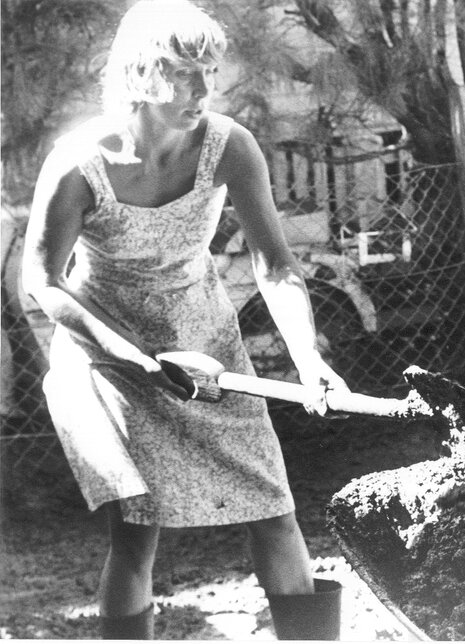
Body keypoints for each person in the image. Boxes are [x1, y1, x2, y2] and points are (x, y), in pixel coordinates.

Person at [22, 0, 342, 638]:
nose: (204, 90)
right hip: (108, 352)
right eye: (185, 73)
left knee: (275, 511)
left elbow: (275, 265)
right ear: (140, 72)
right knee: (139, 530)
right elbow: (44, 282)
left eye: (211, 72)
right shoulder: (80, 163)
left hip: (208, 342)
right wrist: (141, 359)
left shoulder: (228, 146)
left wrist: (309, 357)